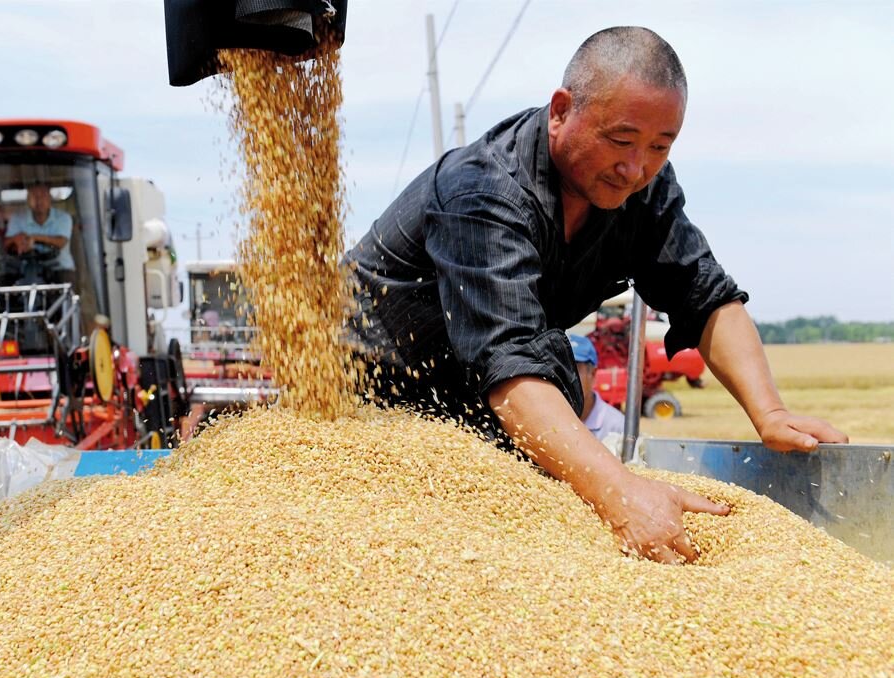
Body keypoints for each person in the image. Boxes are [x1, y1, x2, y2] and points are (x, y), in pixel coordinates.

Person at [345, 26, 847, 565]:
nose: (636, 168)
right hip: (372, 414)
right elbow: (510, 363)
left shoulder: (641, 191)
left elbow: (705, 295)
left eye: (660, 146)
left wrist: (768, 411)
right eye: (621, 139)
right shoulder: (483, 189)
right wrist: (619, 492)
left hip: (477, 412)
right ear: (561, 111)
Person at [2, 184, 75, 286]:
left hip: (60, 270)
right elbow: (6, 244)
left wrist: (33, 238)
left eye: (43, 196)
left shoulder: (63, 218)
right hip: (23, 271)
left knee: (67, 288)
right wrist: (17, 240)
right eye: (34, 196)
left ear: (50, 199)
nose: (39, 201)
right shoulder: (17, 218)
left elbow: (60, 242)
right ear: (28, 200)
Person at [567, 334, 625, 443]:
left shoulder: (617, 427)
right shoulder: (545, 422)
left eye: (573, 369)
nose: (565, 378)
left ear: (593, 374)